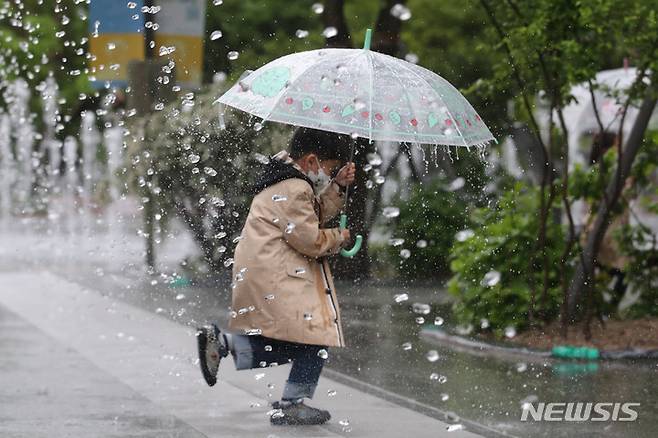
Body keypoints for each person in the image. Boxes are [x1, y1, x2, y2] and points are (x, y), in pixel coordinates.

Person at [196, 127, 356, 426]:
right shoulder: (296, 188)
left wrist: (335, 186)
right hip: (278, 274)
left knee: (295, 342)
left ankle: (224, 345)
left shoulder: (286, 179)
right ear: (311, 161)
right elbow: (308, 238)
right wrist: (339, 237)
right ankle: (293, 402)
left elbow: (310, 214)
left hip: (266, 271)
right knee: (316, 338)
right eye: (329, 168)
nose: (328, 173)